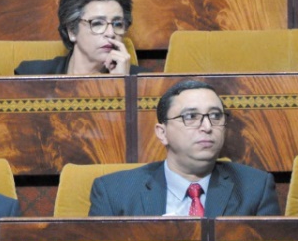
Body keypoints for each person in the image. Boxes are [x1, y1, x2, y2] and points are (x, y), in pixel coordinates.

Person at [89, 80, 280, 217]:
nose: (207, 127)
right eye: (190, 117)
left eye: (215, 116)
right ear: (162, 133)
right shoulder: (114, 192)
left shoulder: (255, 188)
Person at [15, 0, 144, 76]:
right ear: (72, 30)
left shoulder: (144, 81)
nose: (110, 33)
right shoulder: (31, 75)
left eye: (117, 24)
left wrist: (122, 85)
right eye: (97, 23)